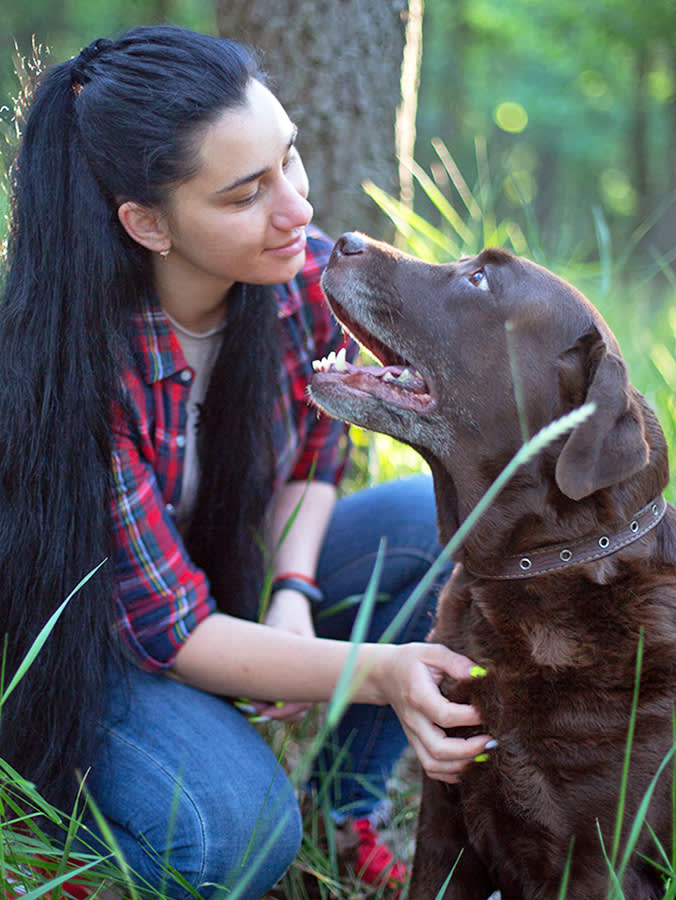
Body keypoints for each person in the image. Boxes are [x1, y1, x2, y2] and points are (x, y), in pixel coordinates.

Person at [0, 24, 494, 900]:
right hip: (91, 647)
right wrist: (377, 671)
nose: (297, 209)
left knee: (443, 521)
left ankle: (346, 810)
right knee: (239, 840)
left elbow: (315, 457)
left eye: (290, 160)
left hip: (222, 582)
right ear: (146, 223)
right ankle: (61, 824)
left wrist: (295, 596)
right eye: (244, 193)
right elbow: (170, 631)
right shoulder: (68, 372)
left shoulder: (297, 277)